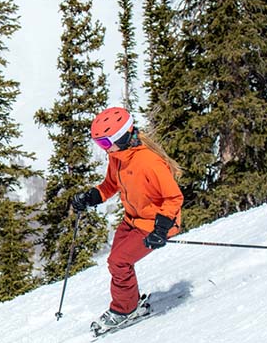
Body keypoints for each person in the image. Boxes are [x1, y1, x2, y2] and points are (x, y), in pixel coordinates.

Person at [69, 107, 183, 329]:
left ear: (120, 137)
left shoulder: (149, 162)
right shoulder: (118, 157)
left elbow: (174, 198)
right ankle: (131, 302)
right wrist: (90, 197)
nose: (103, 149)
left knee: (119, 262)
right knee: (117, 262)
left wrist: (160, 230)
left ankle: (125, 310)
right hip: (133, 219)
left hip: (155, 223)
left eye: (103, 143)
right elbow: (111, 185)